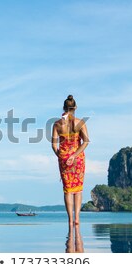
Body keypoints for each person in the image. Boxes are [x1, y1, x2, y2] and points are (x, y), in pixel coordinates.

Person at [52, 95, 89, 226]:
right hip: (78, 158)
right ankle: (77, 219)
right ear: (75, 107)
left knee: (68, 189)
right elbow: (86, 142)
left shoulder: (57, 124)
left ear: (63, 107)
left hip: (63, 158)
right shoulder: (80, 123)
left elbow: (53, 145)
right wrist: (74, 155)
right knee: (78, 190)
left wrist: (62, 157)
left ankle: (69, 220)